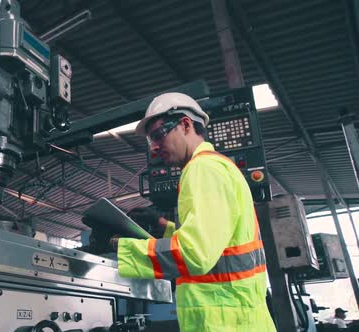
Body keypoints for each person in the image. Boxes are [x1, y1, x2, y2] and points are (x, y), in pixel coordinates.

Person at [113, 92, 276, 331]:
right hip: (236, 317)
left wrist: (119, 248)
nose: (155, 148)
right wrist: (163, 226)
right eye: (150, 141)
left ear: (186, 124)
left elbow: (196, 253)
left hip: (223, 321)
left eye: (158, 135)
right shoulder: (216, 166)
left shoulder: (203, 169)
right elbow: (216, 244)